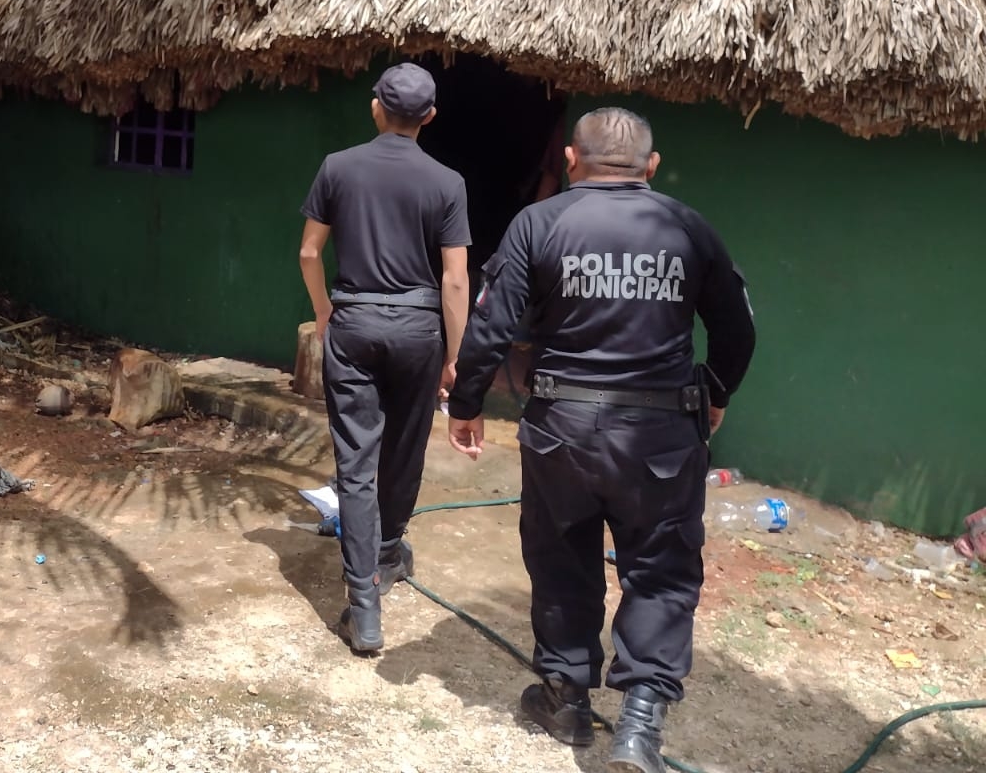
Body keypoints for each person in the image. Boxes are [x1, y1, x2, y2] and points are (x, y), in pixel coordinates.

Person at [444, 107, 756, 773]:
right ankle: (639, 726)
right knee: (662, 572)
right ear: (650, 167)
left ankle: (565, 700)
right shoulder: (687, 226)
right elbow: (737, 330)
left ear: (570, 159)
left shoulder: (538, 224)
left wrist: (466, 403)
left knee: (561, 559)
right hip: (662, 436)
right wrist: (716, 391)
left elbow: (493, 327)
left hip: (563, 430)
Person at [298, 63, 471, 655]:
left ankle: (364, 607)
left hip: (354, 321)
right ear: (430, 118)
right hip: (420, 327)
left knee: (356, 459)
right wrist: (456, 354)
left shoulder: (337, 167)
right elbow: (454, 280)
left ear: (376, 109)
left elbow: (308, 251)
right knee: (404, 448)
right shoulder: (448, 181)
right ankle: (390, 550)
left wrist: (324, 311)